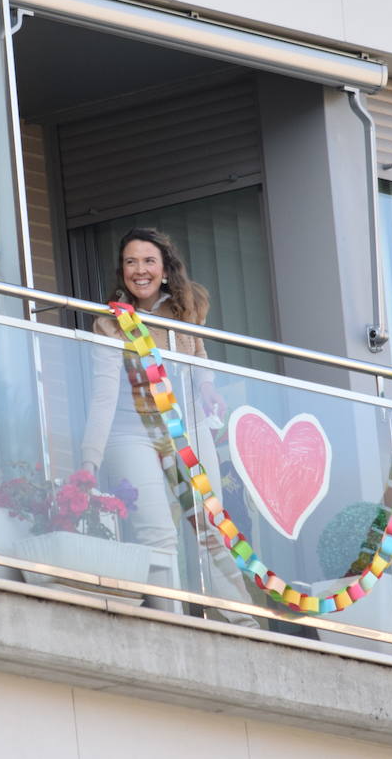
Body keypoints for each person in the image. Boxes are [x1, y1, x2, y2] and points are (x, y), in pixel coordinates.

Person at [79, 227, 256, 622]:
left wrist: (208, 387)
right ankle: (170, 620)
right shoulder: (111, 324)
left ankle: (243, 621)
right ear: (121, 270)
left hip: (187, 428)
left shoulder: (187, 308)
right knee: (157, 532)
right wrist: (89, 460)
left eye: (148, 261)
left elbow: (199, 353)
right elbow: (104, 395)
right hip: (131, 433)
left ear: (164, 269)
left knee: (212, 527)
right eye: (130, 262)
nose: (139, 270)